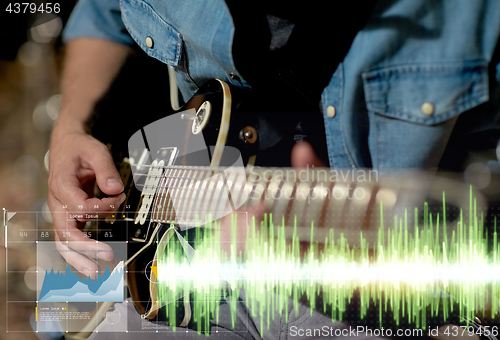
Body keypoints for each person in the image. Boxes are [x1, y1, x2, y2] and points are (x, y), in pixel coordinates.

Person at [48, 0, 500, 338]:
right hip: (185, 254)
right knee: (57, 314)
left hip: (398, 288)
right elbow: (101, 15)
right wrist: (71, 129)